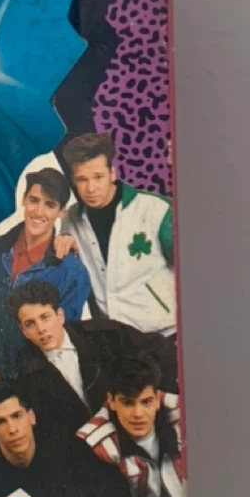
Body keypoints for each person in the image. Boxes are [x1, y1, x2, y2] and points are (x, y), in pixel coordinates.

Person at [58, 132, 178, 387]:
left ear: (113, 172)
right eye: (82, 179)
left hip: (165, 335)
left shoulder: (155, 209)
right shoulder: (69, 220)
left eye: (98, 177)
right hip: (117, 344)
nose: (91, 188)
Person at [0, 168, 92, 386]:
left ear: (61, 211)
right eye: (34, 200)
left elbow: (63, 335)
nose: (39, 212)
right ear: (23, 199)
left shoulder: (72, 271)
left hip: (41, 382)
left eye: (50, 205)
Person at [76, 352, 185, 497]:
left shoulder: (183, 415)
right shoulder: (94, 442)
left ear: (157, 398)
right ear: (111, 401)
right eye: (127, 402)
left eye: (146, 402)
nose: (138, 414)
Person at [5, 279, 106, 431]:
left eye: (45, 317)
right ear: (23, 331)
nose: (41, 329)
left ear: (60, 315)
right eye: (30, 324)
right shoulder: (25, 375)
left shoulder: (102, 335)